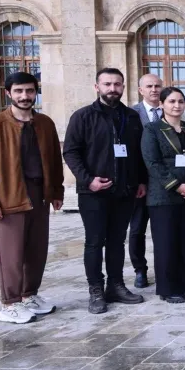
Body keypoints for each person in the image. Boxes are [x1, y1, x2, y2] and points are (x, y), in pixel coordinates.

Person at [64, 68, 146, 314]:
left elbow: (138, 153)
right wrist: (88, 180)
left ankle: (116, 285)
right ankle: (96, 290)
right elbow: (70, 151)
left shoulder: (131, 117)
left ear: (123, 87)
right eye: (108, 84)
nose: (113, 89)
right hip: (93, 193)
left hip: (124, 191)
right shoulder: (82, 116)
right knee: (94, 242)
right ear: (96, 86)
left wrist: (141, 181)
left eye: (117, 84)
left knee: (117, 242)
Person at [0, 72, 64, 323]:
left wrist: (56, 191)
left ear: (35, 92)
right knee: (11, 253)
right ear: (8, 93)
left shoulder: (45, 123)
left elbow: (54, 161)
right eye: (18, 91)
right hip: (9, 196)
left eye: (29, 91)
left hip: (39, 195)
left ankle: (29, 295)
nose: (24, 96)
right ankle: (10, 303)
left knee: (36, 249)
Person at [140, 86, 185, 303]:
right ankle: (168, 289)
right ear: (161, 104)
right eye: (171, 101)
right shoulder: (152, 129)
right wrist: (177, 186)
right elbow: (152, 163)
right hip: (164, 196)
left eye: (180, 101)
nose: (177, 105)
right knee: (166, 243)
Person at [129, 73, 163, 289]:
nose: (154, 90)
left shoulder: (171, 110)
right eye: (149, 86)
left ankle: (164, 268)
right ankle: (140, 270)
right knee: (137, 229)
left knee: (163, 229)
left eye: (157, 86)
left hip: (164, 183)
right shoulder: (131, 114)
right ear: (141, 90)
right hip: (140, 184)